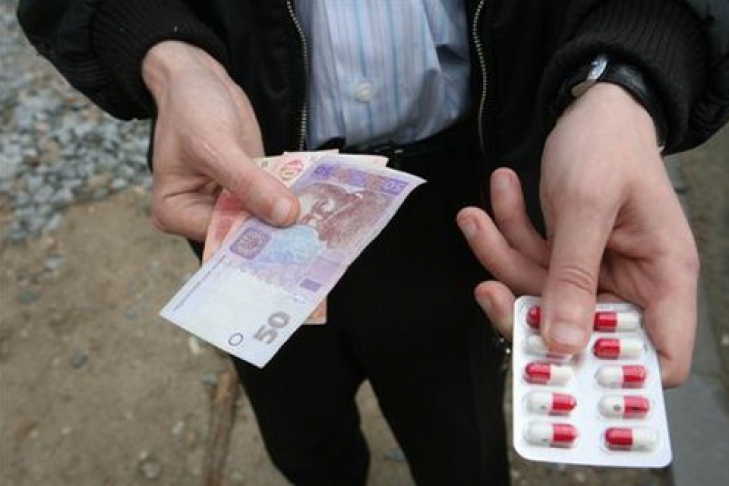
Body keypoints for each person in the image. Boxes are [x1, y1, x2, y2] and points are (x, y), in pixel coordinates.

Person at [17, 1, 729, 484]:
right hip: (253, 182)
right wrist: (169, 54)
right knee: (301, 433)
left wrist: (626, 80)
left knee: (458, 438)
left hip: (466, 193)